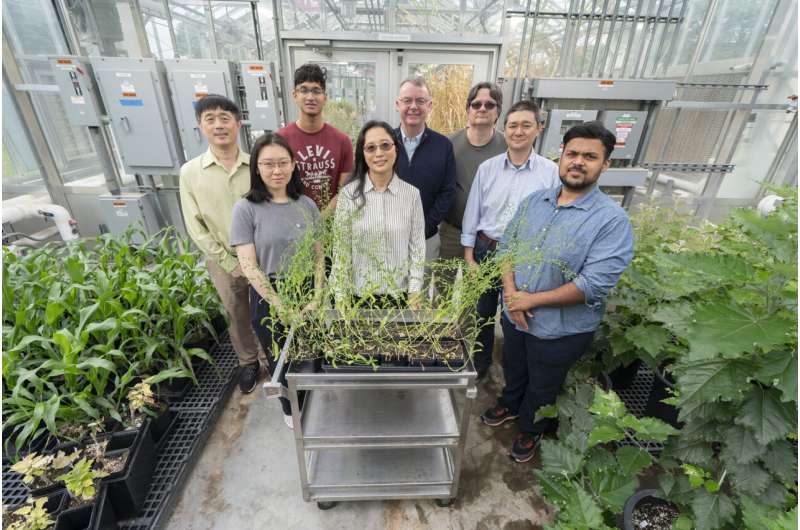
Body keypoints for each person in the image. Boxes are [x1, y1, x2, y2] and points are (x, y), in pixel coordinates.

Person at [481, 121, 634, 463]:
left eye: (590, 157)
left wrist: (530, 300)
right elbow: (506, 247)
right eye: (573, 153)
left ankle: (531, 430)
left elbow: (594, 284)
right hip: (516, 315)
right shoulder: (536, 202)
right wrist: (511, 295)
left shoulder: (611, 221)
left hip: (561, 329)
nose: (578, 161)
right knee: (513, 366)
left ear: (605, 165)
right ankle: (509, 404)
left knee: (544, 383)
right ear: (561, 155)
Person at [461, 100, 559, 381]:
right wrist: (469, 256)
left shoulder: (549, 173)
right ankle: (480, 366)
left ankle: (510, 372)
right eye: (513, 125)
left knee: (516, 316)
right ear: (504, 129)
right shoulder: (488, 169)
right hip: (486, 249)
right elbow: (473, 212)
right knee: (482, 313)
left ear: (538, 129)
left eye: (526, 125)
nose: (518, 131)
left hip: (524, 257)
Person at [230, 133, 323, 428]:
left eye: (283, 162)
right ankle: (290, 408)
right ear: (256, 168)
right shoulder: (245, 209)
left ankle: (317, 402)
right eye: (268, 164)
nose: (276, 170)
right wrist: (278, 302)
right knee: (280, 355)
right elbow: (249, 265)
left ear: (294, 165)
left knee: (312, 350)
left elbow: (320, 255)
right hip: (268, 293)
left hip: (307, 289)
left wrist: (318, 294)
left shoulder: (307, 205)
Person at [178, 94, 262, 394]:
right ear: (200, 126)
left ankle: (274, 357)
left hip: (262, 256)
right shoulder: (190, 173)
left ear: (238, 124)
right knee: (235, 310)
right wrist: (229, 262)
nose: (219, 125)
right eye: (210, 119)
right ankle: (248, 362)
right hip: (223, 258)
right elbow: (195, 226)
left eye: (225, 118)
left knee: (266, 309)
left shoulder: (256, 165)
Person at [331, 120, 425, 308]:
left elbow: (417, 248)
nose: (379, 153)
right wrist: (341, 296)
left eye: (385, 146)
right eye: (371, 148)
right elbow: (341, 251)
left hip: (401, 298)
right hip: (359, 298)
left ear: (396, 149)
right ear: (363, 154)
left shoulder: (412, 195)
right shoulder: (348, 196)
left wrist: (415, 291)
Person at [441, 82, 507, 260]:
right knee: (443, 285)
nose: (482, 109)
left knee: (479, 287)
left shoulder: (508, 147)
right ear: (468, 109)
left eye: (490, 104)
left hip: (488, 237)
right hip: (451, 232)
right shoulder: (448, 144)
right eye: (476, 104)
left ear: (498, 111)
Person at [393, 77, 456, 262]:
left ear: (429, 105)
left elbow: (448, 191)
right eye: (407, 100)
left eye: (420, 101)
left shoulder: (443, 146)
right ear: (398, 104)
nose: (413, 106)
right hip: (387, 237)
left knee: (419, 289)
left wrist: (424, 226)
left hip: (426, 239)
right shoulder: (385, 142)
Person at [277, 63, 354, 211]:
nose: (310, 97)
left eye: (316, 91)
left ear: (325, 97)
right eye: (304, 90)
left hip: (332, 225)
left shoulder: (342, 141)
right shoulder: (280, 140)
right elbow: (277, 188)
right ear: (295, 95)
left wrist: (321, 219)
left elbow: (343, 191)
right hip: (293, 220)